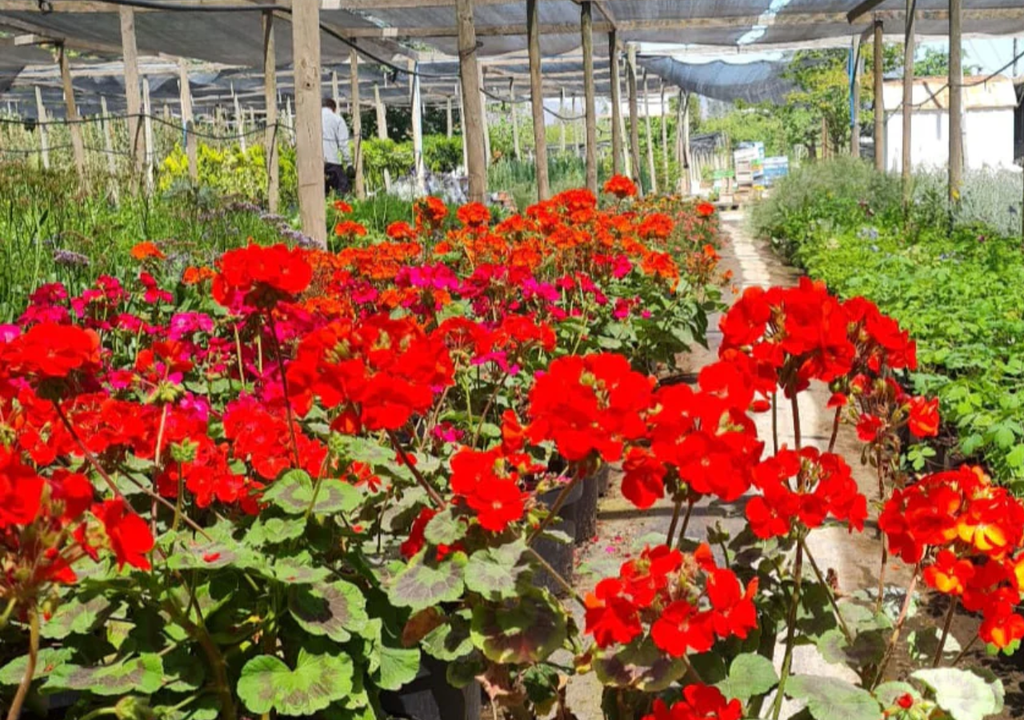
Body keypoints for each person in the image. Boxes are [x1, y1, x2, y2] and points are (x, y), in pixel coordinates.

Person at [322, 97, 352, 196]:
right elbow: (343, 143)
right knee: (344, 190)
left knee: (322, 193)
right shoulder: (337, 119)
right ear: (334, 108)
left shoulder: (311, 119)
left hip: (315, 163)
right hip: (332, 162)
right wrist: (349, 163)